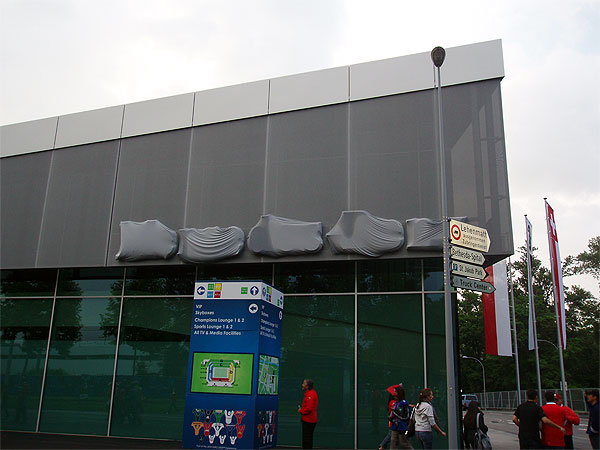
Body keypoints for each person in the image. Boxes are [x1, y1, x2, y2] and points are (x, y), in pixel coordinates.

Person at [389, 385, 414, 450]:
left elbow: (405, 416)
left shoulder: (403, 403)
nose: (394, 393)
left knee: (404, 443)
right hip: (395, 426)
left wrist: (395, 412)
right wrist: (391, 418)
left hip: (402, 426)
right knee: (393, 442)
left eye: (395, 392)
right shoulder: (395, 403)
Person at [298, 378, 318, 449]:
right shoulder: (309, 393)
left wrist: (301, 410)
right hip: (308, 420)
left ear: (307, 386)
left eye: (304, 383)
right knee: (307, 439)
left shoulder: (311, 394)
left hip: (309, 421)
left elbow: (309, 408)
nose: (302, 385)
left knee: (307, 440)